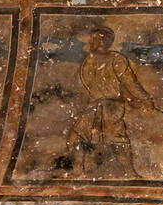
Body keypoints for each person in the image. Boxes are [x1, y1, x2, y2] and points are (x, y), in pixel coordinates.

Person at [65, 28, 156, 177]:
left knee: (117, 140)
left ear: (107, 41)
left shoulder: (116, 59)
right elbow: (98, 86)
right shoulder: (89, 60)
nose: (97, 41)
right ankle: (78, 170)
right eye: (95, 38)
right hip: (93, 106)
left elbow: (129, 82)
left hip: (111, 106)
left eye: (101, 38)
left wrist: (145, 98)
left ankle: (130, 172)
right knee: (75, 137)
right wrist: (130, 98)